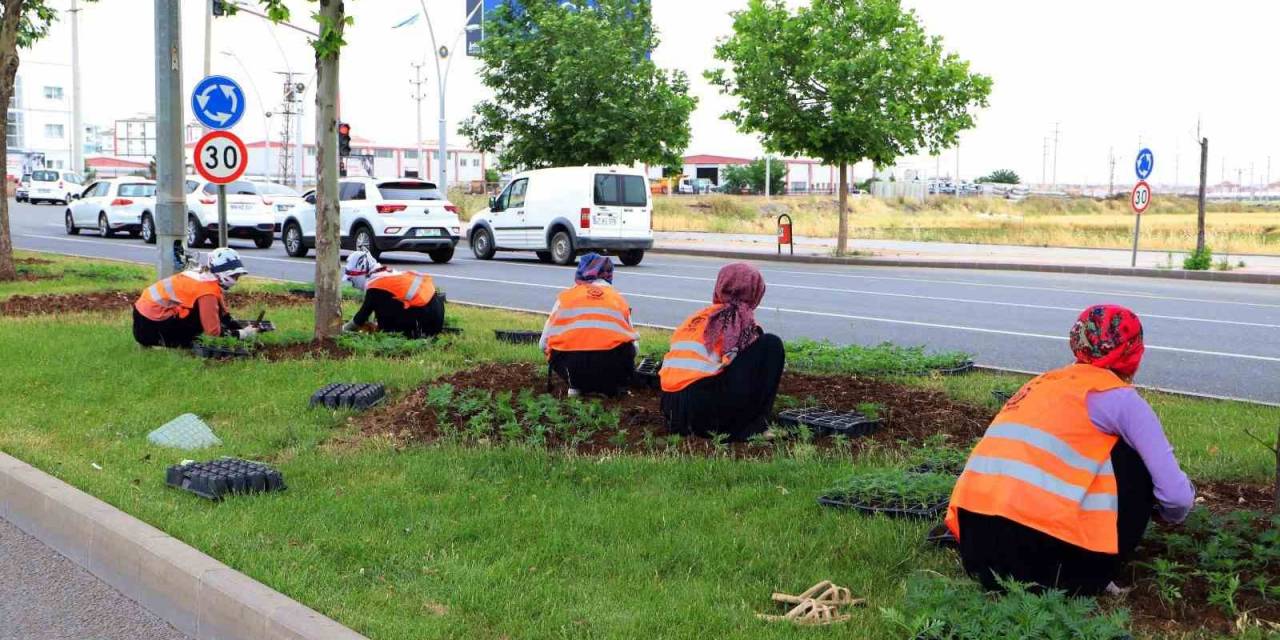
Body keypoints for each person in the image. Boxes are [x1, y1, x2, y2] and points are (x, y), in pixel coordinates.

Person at [945, 304, 1195, 596]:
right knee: (1134, 461)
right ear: (1134, 351)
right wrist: (1169, 515)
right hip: (1047, 569)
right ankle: (1096, 571)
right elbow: (1176, 497)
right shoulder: (1119, 399)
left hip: (977, 552)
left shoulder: (1040, 384)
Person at [659, 262, 785, 440]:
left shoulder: (697, 318)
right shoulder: (741, 323)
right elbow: (748, 376)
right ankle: (755, 427)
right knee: (771, 345)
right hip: (705, 415)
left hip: (672, 411)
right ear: (755, 292)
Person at [538, 253, 639, 396]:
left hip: (573, 370)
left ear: (581, 272)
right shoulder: (618, 299)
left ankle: (575, 385)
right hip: (611, 369)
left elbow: (543, 344)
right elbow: (634, 348)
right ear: (608, 274)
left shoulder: (566, 298)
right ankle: (612, 385)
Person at [133, 247, 254, 348]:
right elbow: (213, 333)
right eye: (235, 275)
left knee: (205, 314)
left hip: (141, 319)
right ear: (222, 273)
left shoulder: (202, 274)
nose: (236, 279)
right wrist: (242, 334)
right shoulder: (207, 292)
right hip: (151, 330)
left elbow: (222, 312)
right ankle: (168, 344)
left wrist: (234, 325)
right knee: (202, 326)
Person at [341, 250, 445, 338]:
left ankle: (392, 331)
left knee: (382, 314)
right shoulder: (385, 274)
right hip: (436, 313)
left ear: (361, 272)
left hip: (426, 324)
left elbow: (360, 318)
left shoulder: (375, 286)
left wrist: (342, 330)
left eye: (351, 279)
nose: (352, 284)